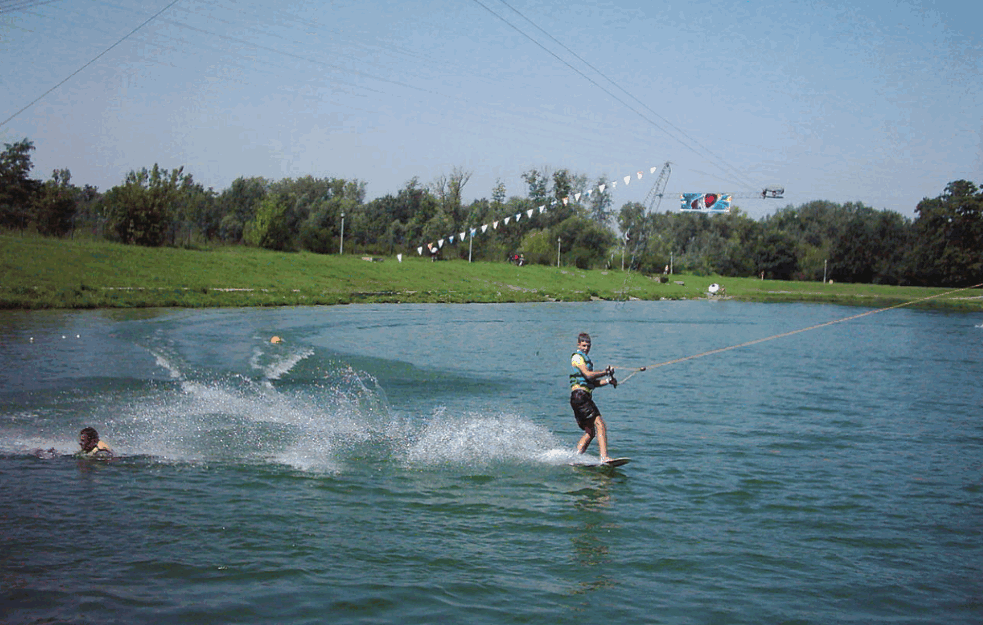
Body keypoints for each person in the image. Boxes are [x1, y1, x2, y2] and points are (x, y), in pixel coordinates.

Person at [569, 332, 617, 462]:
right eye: (584, 345)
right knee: (600, 424)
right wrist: (605, 372)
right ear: (578, 344)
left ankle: (575, 457)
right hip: (580, 396)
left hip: (580, 397)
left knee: (590, 431)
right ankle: (604, 457)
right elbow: (588, 375)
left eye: (588, 346)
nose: (586, 348)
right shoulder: (577, 358)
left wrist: (608, 380)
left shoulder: (585, 359)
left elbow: (593, 383)